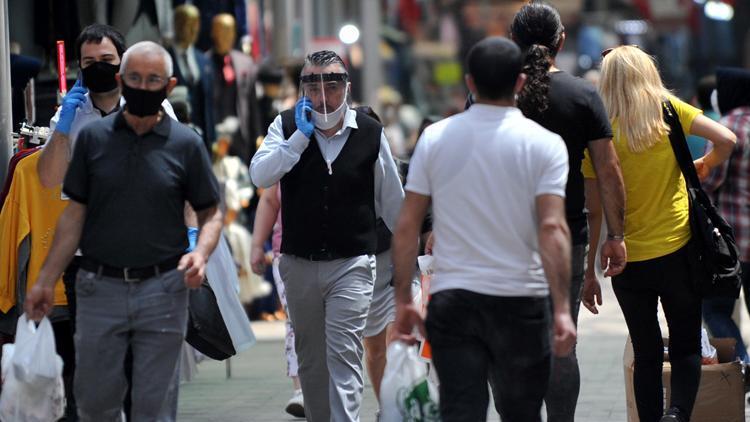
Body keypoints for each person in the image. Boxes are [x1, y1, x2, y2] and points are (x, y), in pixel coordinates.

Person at [24, 41, 223, 421]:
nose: (143, 87)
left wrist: (199, 251)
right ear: (121, 80)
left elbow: (210, 211)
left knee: (152, 404)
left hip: (163, 288)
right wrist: (45, 278)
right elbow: (73, 215)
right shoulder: (93, 140)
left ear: (169, 86)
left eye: (153, 80)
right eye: (134, 78)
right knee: (95, 402)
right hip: (99, 287)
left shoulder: (185, 144)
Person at [392, 36, 577, 422]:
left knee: (461, 411)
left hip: (454, 301)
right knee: (522, 412)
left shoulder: (434, 138)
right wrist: (561, 309)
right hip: (521, 301)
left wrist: (403, 302)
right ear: (521, 83)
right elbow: (553, 229)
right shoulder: (545, 145)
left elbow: (408, 225)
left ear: (470, 82)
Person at [582, 46, 736, 422]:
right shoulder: (668, 109)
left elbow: (595, 210)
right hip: (680, 252)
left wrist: (590, 272)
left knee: (647, 353)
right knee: (684, 346)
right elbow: (727, 139)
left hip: (627, 260)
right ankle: (678, 414)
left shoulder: (598, 133)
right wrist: (704, 163)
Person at [250, 50, 404, 422]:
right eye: (312, 84)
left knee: (343, 352)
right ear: (302, 88)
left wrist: (411, 259)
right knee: (311, 360)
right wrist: (298, 141)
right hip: (299, 263)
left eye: (331, 85)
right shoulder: (285, 126)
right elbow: (260, 175)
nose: (321, 95)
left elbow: (394, 205)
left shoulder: (370, 133)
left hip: (352, 262)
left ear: (347, 88)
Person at [509, 5, 627, 420]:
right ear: (561, 41)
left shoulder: (494, 92)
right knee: (562, 338)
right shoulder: (582, 95)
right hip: (566, 235)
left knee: (511, 340)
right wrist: (616, 235)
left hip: (503, 236)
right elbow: (608, 170)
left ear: (514, 41)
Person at [701, 67, 750, 364]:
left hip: (733, 243)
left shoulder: (727, 126)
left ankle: (742, 366)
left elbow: (708, 180)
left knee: (715, 309)